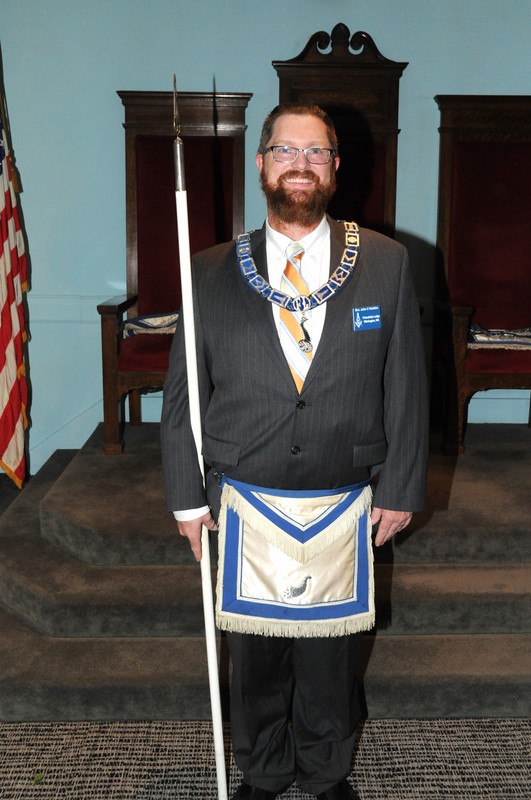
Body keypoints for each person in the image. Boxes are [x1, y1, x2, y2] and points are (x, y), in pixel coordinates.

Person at [161, 104, 429, 800]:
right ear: (261, 163)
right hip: (244, 495)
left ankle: (325, 769)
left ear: (335, 167)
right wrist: (186, 498)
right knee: (254, 657)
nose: (299, 164)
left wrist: (401, 485)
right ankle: (264, 769)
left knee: (331, 657)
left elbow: (406, 383)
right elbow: (182, 398)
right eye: (285, 150)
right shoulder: (208, 271)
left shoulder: (387, 263)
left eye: (315, 152)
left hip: (344, 493)